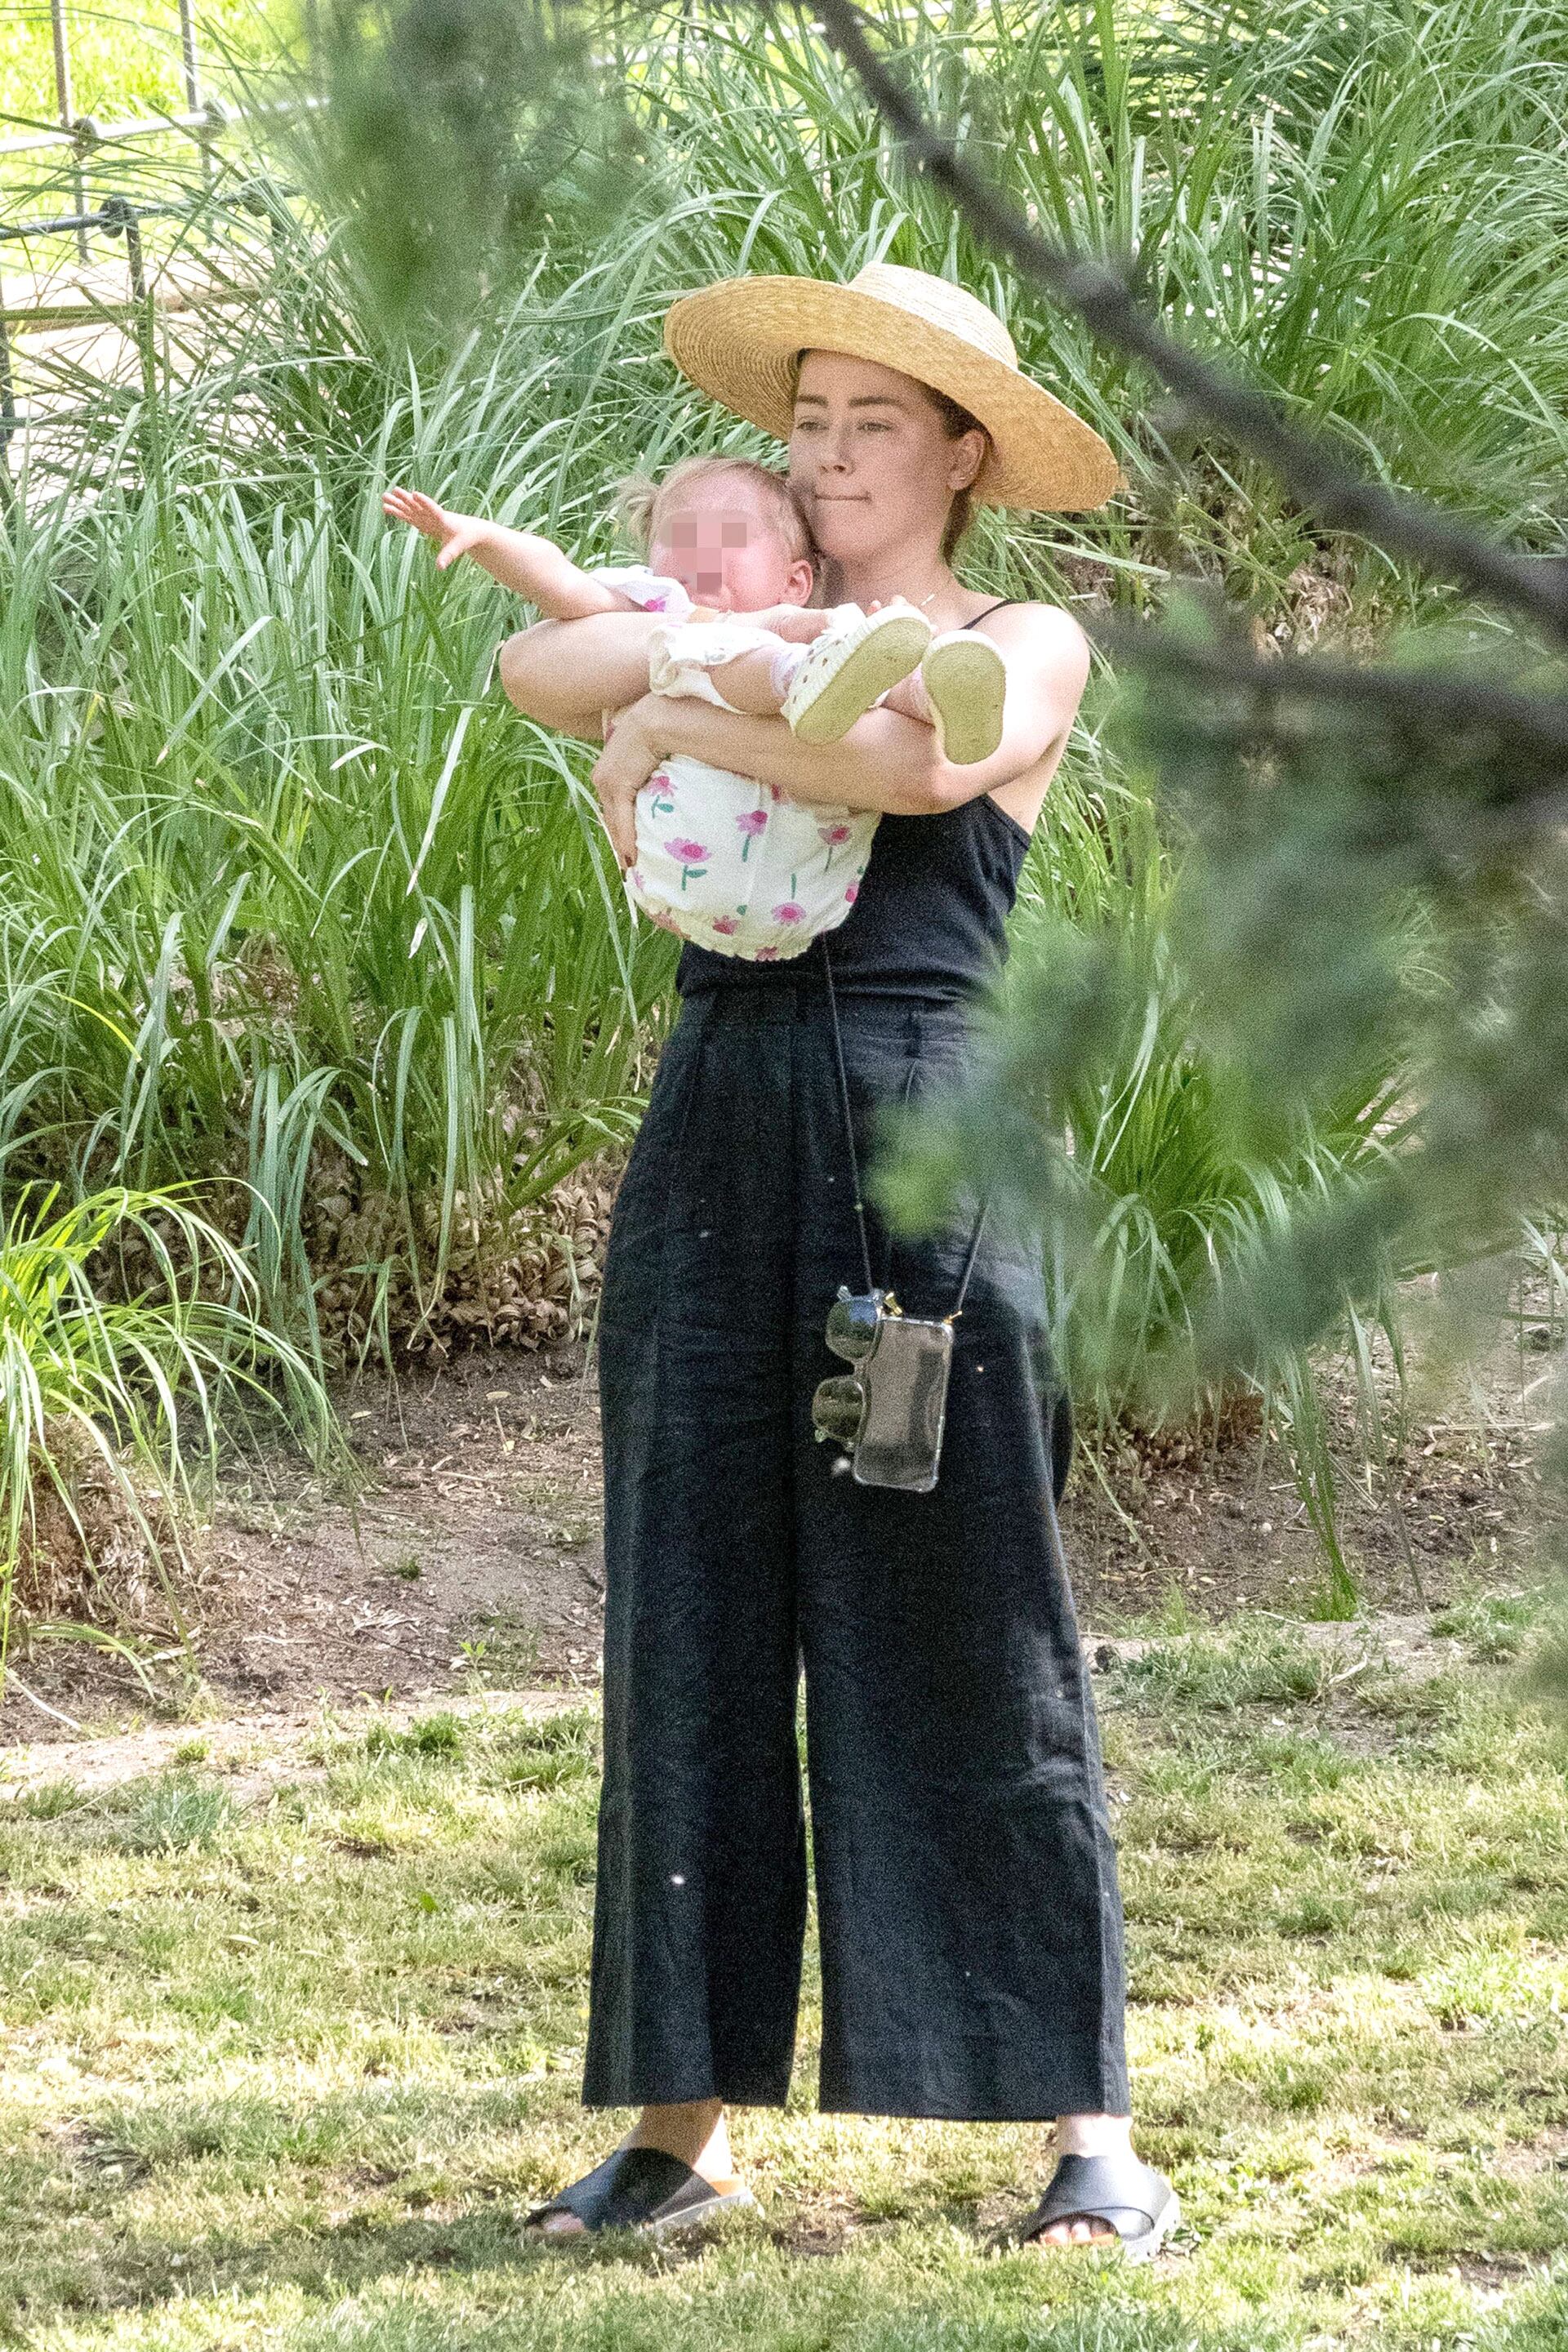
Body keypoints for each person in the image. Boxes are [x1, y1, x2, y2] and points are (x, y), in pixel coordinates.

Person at [497, 261, 1179, 2260]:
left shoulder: (1019, 638)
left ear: (963, 455)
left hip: (914, 1171)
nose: (827, 449)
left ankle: (1089, 2138)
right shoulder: (739, 616)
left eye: (872, 421)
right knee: (690, 1606)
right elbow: (537, 680)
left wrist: (681, 690)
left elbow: (910, 771)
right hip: (716, 1138)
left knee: (956, 1607)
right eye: (807, 419)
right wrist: (691, 664)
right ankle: (680, 2130)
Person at [384, 455, 1006, 961]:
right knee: (728, 649)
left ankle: (939, 694)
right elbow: (562, 582)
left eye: (725, 538)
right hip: (679, 878)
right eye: (678, 538)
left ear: (794, 578)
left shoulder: (813, 621)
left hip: (808, 894)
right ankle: (801, 681)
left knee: (853, 652)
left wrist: (662, 720)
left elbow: (915, 770)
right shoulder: (660, 613)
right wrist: (487, 538)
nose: (695, 556)